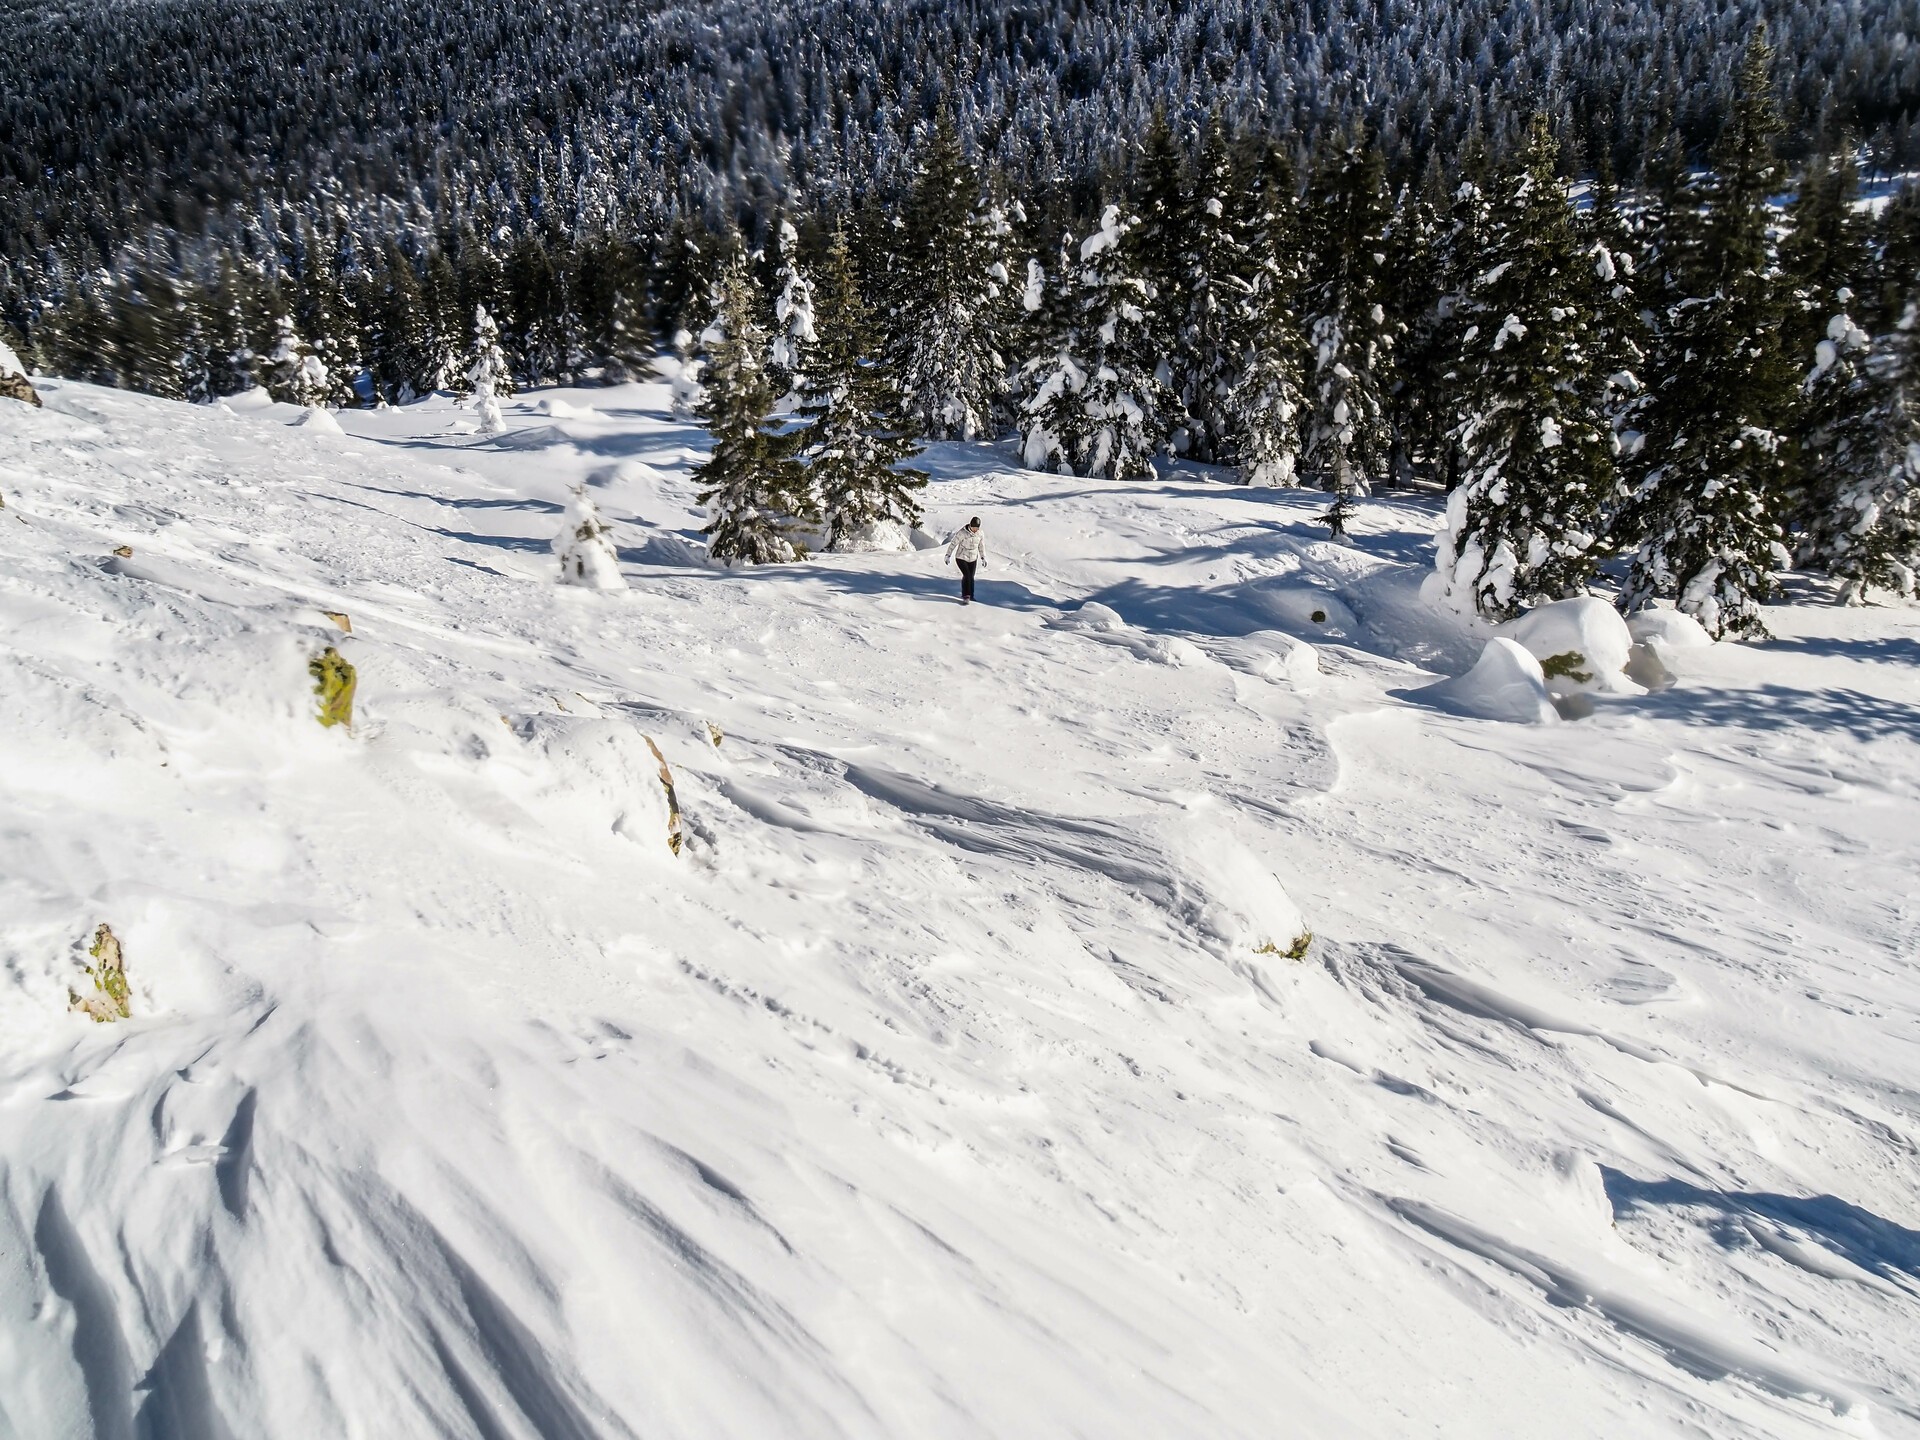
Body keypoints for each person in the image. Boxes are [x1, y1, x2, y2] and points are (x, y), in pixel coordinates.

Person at [944, 516, 986, 603]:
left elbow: (981, 546)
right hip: (961, 557)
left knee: (971, 577)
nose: (975, 530)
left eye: (977, 528)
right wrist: (948, 555)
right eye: (973, 527)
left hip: (973, 558)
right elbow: (953, 543)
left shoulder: (980, 533)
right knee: (967, 575)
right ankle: (966, 596)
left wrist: (983, 557)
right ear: (970, 525)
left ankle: (971, 595)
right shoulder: (963, 533)